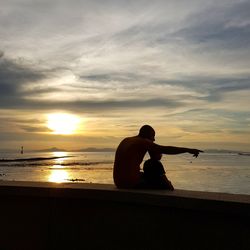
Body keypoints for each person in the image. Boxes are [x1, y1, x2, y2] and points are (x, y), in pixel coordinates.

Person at [113, 125, 203, 189]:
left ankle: (165, 183)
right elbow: (165, 150)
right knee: (154, 164)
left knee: (149, 164)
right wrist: (188, 150)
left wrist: (154, 150)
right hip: (130, 183)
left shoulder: (127, 140)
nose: (154, 139)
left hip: (119, 182)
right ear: (148, 136)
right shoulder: (143, 142)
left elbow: (156, 154)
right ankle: (167, 185)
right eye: (153, 136)